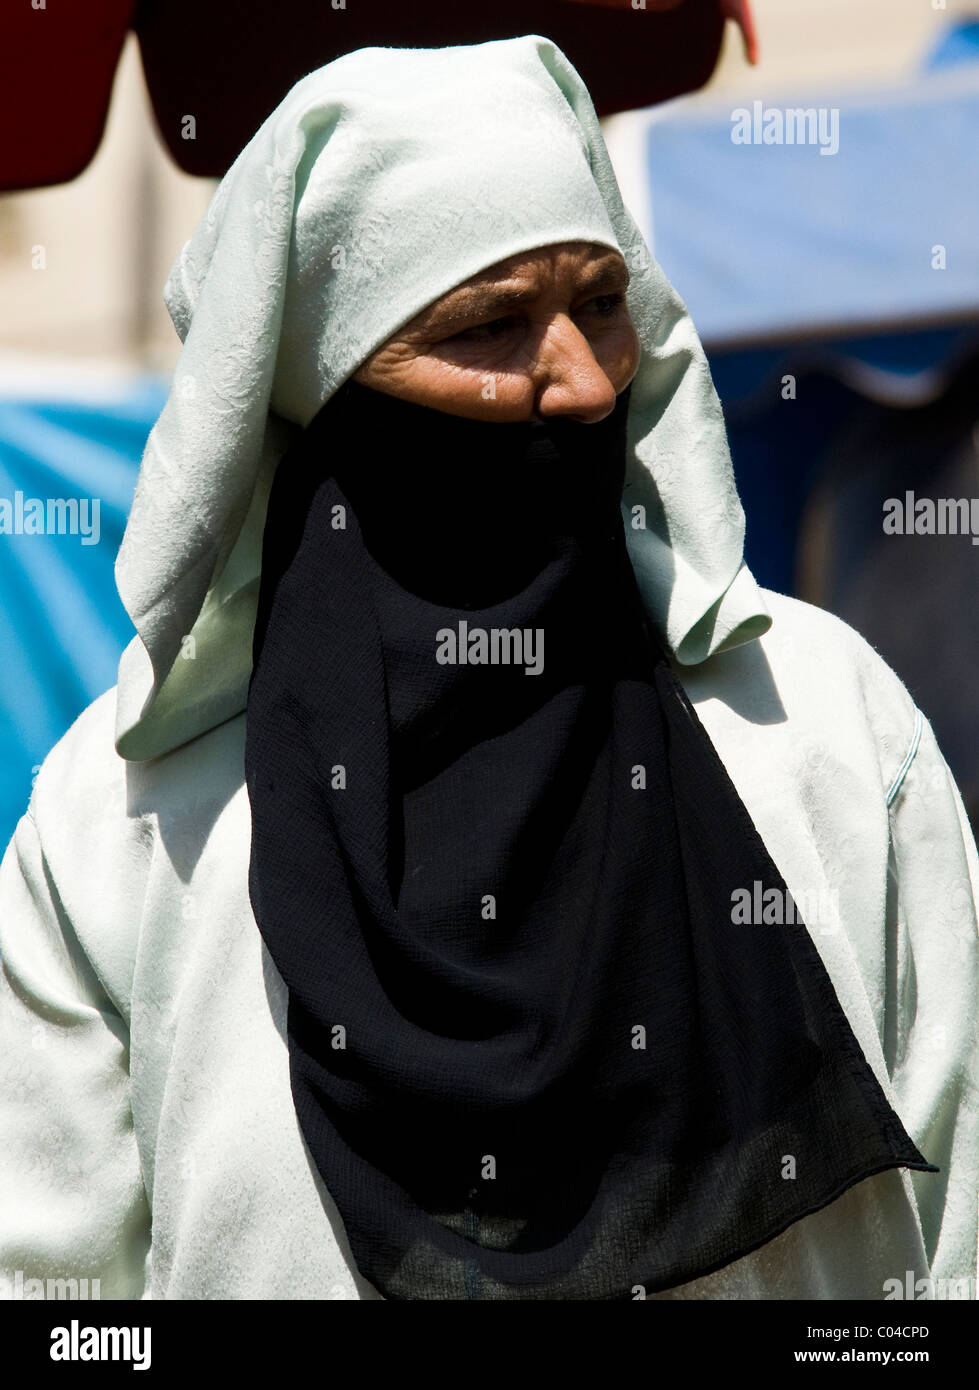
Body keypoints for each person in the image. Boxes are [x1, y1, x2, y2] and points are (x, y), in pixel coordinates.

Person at [0, 35, 976, 1303]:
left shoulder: (826, 722)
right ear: (325, 388)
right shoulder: (123, 826)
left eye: (603, 305)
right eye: (491, 326)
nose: (576, 383)